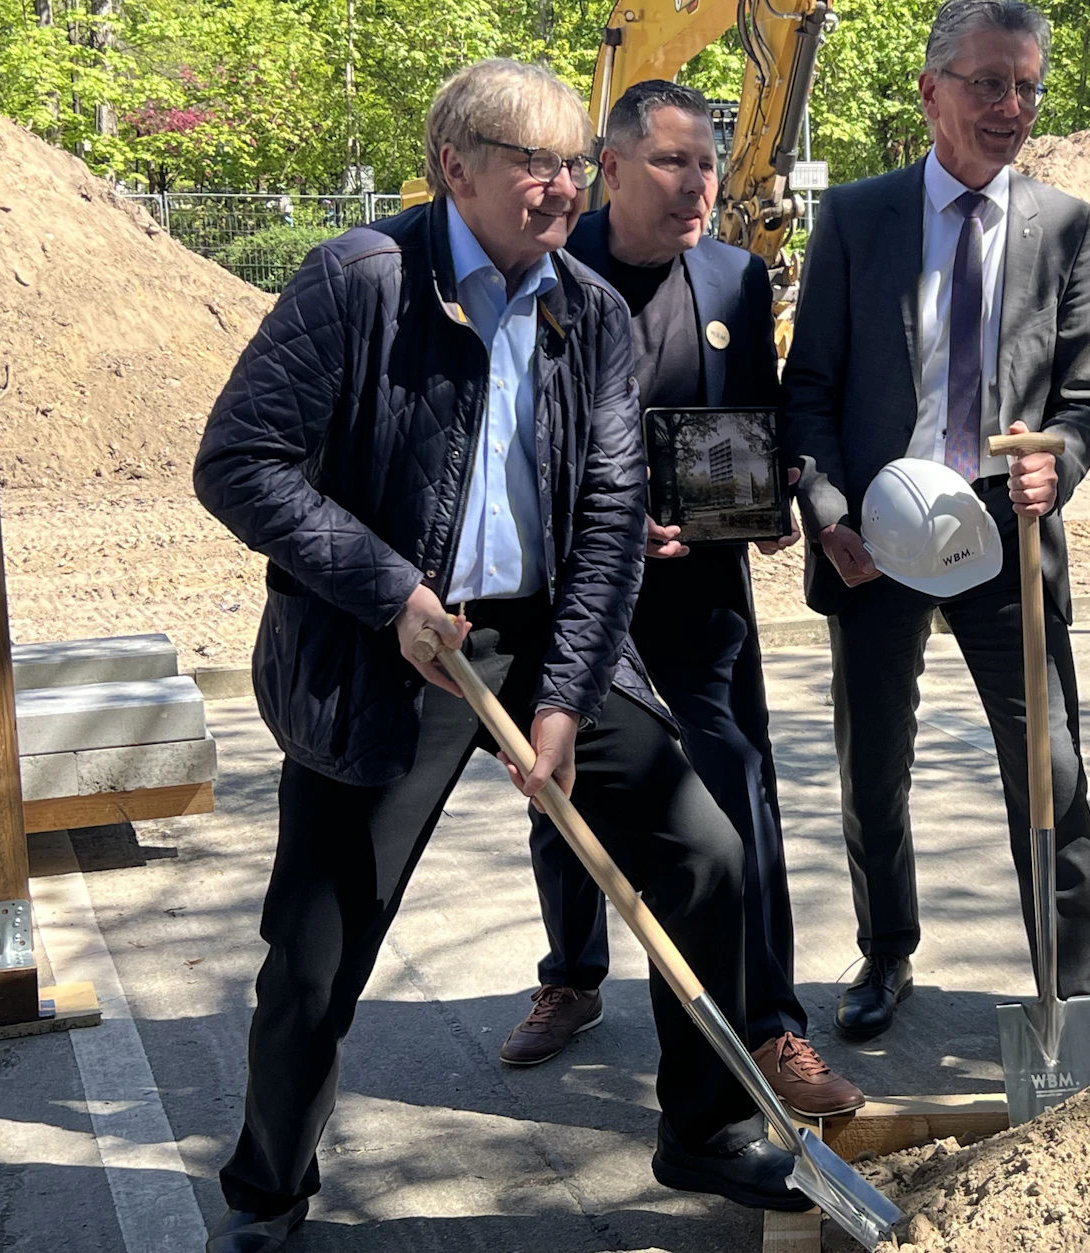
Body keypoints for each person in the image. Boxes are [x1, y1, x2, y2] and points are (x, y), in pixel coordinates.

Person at [193, 59, 811, 1253]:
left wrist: (570, 697)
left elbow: (609, 518)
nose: (561, 186)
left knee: (706, 855)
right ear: (452, 168)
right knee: (318, 950)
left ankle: (704, 1127)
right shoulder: (359, 282)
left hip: (538, 637)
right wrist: (389, 591)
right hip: (386, 651)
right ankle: (268, 1193)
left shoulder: (586, 310)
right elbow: (239, 462)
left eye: (573, 162)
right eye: (533, 163)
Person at [501, 78, 863, 1118]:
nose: (697, 182)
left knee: (738, 788)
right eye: (671, 161)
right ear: (609, 168)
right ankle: (570, 973)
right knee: (561, 781)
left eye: (705, 161)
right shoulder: (546, 281)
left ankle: (770, 1024)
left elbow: (755, 417)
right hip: (574, 594)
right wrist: (602, 527)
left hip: (701, 591)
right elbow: (515, 448)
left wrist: (772, 496)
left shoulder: (738, 281)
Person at [783, 0, 1090, 1057]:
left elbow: (1086, 395)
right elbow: (811, 389)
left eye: (1025, 87)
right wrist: (829, 513)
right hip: (876, 539)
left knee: (1049, 769)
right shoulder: (855, 218)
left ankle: (1070, 995)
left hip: (1003, 543)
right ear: (931, 92)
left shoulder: (1063, 226)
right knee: (871, 762)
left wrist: (1054, 464)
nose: (1009, 107)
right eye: (987, 84)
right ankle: (884, 949)